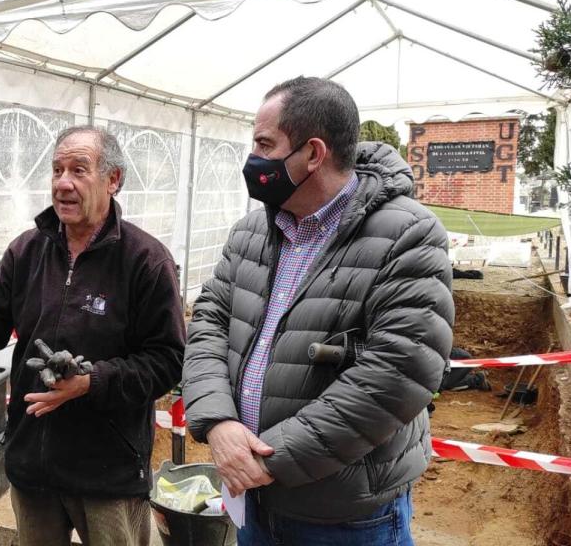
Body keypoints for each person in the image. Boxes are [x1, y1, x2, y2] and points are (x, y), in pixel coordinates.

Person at [183, 76, 453, 545]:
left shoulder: (409, 235)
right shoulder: (250, 232)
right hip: (253, 501)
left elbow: (396, 376)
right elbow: (209, 322)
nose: (254, 159)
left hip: (342, 517)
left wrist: (270, 460)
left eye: (265, 144)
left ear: (313, 153)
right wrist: (219, 422)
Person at [0, 126, 185, 546]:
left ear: (113, 180)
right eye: (56, 169)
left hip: (108, 470)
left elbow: (166, 360)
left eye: (79, 170)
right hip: (34, 464)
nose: (63, 183)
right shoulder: (27, 250)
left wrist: (91, 382)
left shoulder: (146, 260)